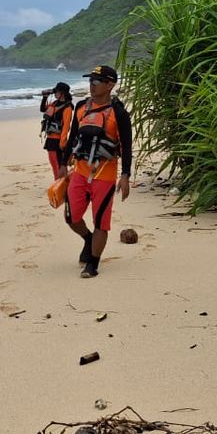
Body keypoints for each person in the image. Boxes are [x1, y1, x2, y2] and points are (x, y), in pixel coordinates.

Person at [57, 65, 132, 278]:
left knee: (101, 221)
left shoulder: (119, 113)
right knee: (71, 217)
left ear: (110, 85)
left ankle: (93, 262)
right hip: (80, 172)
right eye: (90, 81)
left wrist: (125, 176)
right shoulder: (81, 107)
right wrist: (63, 164)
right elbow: (72, 138)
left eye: (96, 82)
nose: (91, 85)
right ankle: (88, 239)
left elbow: (127, 146)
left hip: (105, 174)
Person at [39, 81, 73, 179]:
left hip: (57, 140)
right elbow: (43, 109)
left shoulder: (67, 108)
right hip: (50, 139)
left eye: (57, 92)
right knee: (54, 164)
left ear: (63, 93)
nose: (55, 94)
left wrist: (62, 143)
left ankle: (60, 184)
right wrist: (45, 97)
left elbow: (66, 126)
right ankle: (60, 184)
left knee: (58, 164)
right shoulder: (55, 103)